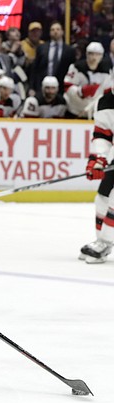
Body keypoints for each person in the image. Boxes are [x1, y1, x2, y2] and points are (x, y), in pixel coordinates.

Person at [79, 61, 114, 263]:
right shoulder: (106, 103)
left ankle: (105, 243)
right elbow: (102, 135)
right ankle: (101, 241)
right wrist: (98, 161)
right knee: (102, 196)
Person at [63, 42, 111, 119]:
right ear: (86, 54)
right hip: (74, 110)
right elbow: (67, 86)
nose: (94, 57)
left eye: (97, 54)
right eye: (91, 54)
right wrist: (80, 91)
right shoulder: (76, 67)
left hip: (94, 112)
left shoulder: (106, 71)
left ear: (101, 56)